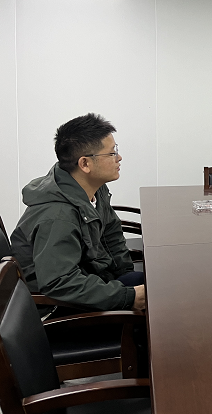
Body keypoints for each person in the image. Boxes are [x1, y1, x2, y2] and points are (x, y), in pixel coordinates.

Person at [10, 113, 146, 311]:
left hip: (92, 280)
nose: (119, 157)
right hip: (60, 309)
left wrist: (125, 275)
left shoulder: (93, 188)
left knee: (164, 284)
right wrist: (128, 297)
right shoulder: (58, 217)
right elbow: (60, 283)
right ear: (85, 164)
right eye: (111, 153)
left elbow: (110, 234)